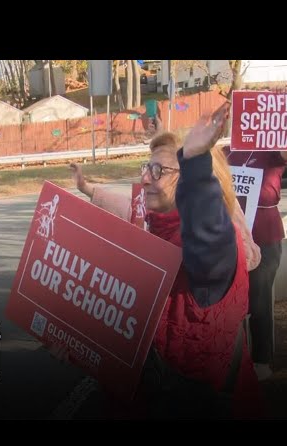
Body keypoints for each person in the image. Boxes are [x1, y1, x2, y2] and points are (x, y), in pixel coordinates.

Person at [69, 103, 264, 418]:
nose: (145, 179)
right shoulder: (152, 230)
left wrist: (196, 163)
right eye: (147, 168)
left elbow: (205, 235)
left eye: (159, 171)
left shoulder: (215, 247)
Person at [223, 144, 287, 381]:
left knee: (259, 300)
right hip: (231, 238)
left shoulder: (273, 151)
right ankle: (234, 359)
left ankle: (262, 360)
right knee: (231, 300)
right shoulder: (228, 152)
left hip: (265, 236)